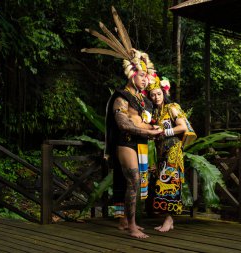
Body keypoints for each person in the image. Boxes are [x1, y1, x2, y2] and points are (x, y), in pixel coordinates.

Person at [82, 6, 162, 239]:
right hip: (126, 142)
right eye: (142, 75)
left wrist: (153, 128)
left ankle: (126, 222)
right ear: (131, 74)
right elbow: (123, 124)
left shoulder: (142, 100)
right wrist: (149, 133)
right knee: (134, 180)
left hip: (139, 143)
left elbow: (143, 121)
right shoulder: (121, 96)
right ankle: (133, 226)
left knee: (136, 183)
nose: (146, 80)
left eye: (148, 76)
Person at [146, 74, 189, 232]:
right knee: (162, 185)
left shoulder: (172, 107)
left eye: (158, 93)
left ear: (163, 93)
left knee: (169, 185)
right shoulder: (155, 113)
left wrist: (164, 131)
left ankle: (169, 220)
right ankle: (168, 221)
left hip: (173, 151)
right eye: (153, 94)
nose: (156, 97)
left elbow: (182, 127)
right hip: (161, 153)